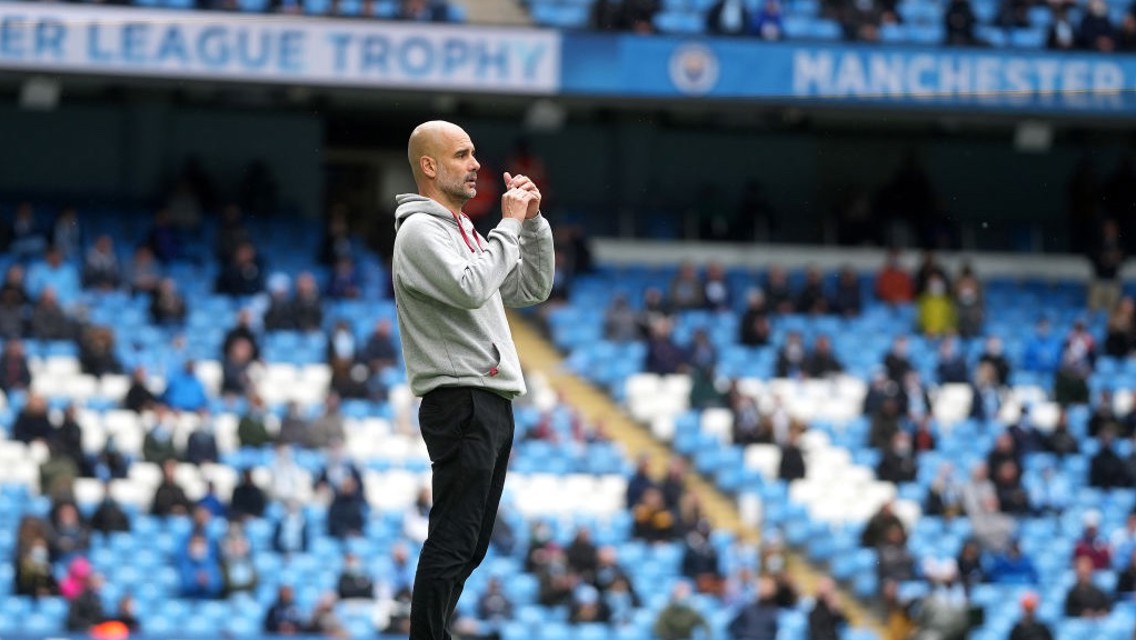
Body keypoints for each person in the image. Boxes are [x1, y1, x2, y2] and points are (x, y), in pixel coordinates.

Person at [392, 121, 554, 640]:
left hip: (487, 399)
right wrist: (506, 226)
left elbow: (530, 287)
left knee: (471, 542)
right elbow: (472, 286)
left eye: (474, 153)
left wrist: (531, 224)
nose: (476, 164)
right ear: (430, 166)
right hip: (459, 396)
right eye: (462, 155)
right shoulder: (420, 231)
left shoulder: (461, 229)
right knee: (453, 538)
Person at [728, 575, 779, 640]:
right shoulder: (748, 608)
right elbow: (733, 627)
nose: (765, 589)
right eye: (762, 586)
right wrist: (743, 636)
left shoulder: (777, 611)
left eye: (768, 587)